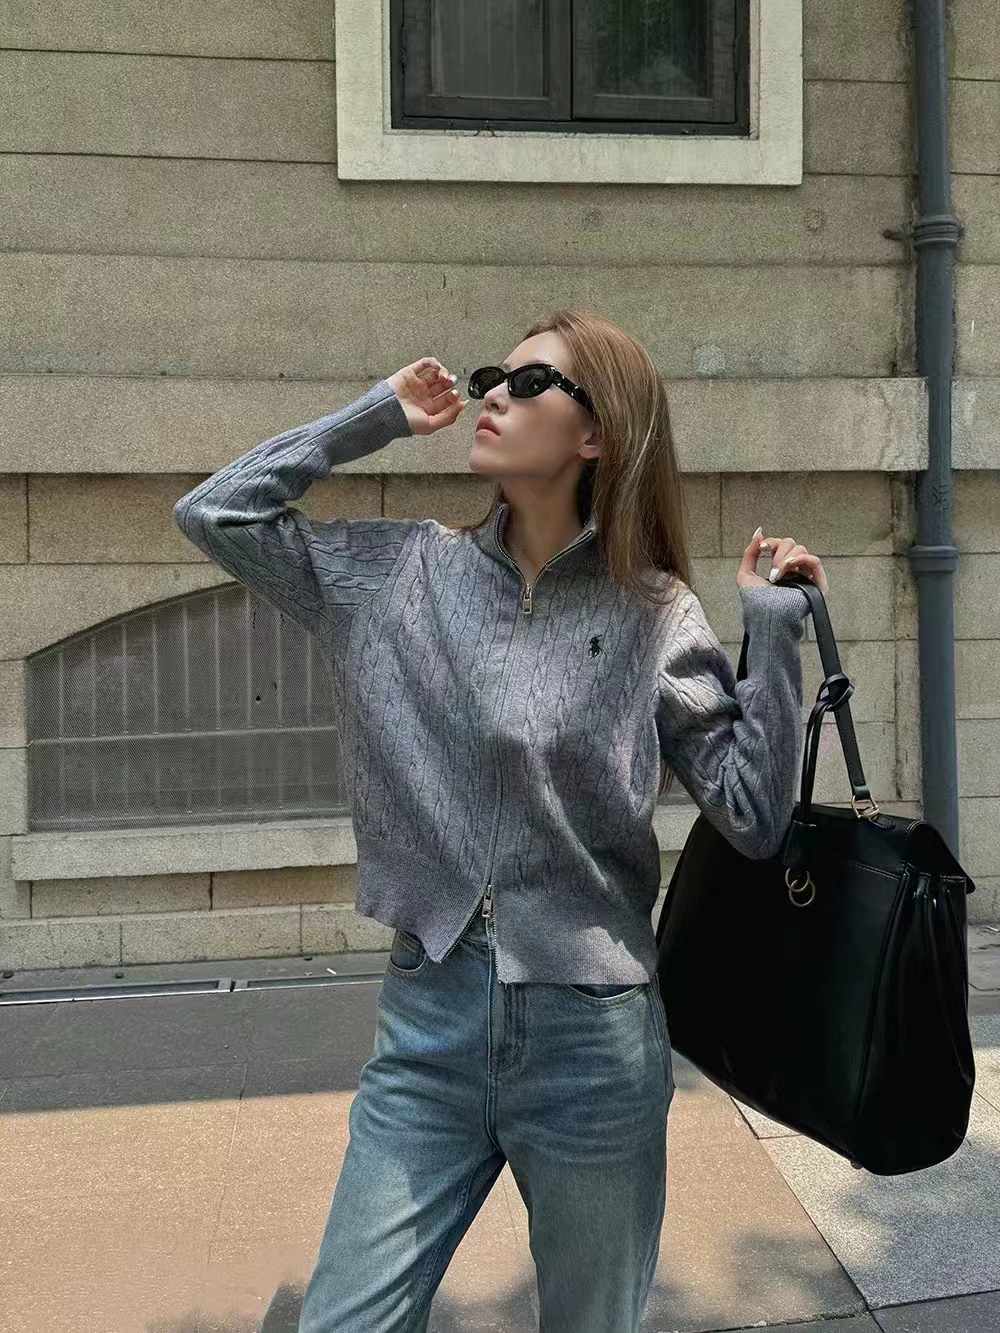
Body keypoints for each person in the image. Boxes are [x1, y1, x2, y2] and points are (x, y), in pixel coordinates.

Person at [173, 308, 828, 1332]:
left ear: (597, 432)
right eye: (494, 377)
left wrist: (777, 632)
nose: (493, 397)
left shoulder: (652, 612)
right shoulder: (397, 575)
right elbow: (216, 513)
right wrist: (376, 417)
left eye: (530, 384)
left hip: (592, 1043)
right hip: (429, 1020)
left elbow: (752, 816)